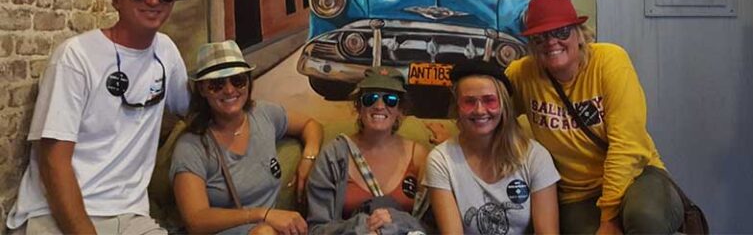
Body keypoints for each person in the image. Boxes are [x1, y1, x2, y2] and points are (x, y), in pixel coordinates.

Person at [6, 0, 190, 234]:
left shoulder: (166, 52)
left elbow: (197, 111)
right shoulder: (75, 57)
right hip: (55, 213)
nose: (153, 0)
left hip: (128, 215)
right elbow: (53, 160)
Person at [504, 0, 684, 234]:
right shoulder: (522, 74)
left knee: (645, 219)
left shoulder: (609, 61)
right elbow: (490, 112)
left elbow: (627, 144)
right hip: (575, 195)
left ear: (579, 34)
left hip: (636, 178)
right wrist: (447, 135)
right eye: (540, 37)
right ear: (532, 45)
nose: (551, 42)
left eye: (561, 32)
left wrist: (608, 218)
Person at [171, 40, 323, 235]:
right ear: (202, 89)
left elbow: (310, 125)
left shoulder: (263, 114)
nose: (229, 90)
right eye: (217, 84)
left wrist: (308, 158)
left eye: (238, 80)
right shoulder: (192, 146)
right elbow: (196, 220)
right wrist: (263, 214)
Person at [425, 60, 560, 234]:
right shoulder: (441, 160)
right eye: (469, 101)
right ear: (457, 107)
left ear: (504, 105)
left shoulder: (535, 157)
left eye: (489, 100)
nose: (480, 110)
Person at [306, 67, 429, 234]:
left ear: (401, 110)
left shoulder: (419, 156)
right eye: (370, 98)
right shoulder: (334, 156)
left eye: (390, 100)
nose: (379, 106)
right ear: (358, 107)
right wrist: (363, 225)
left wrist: (396, 220)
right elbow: (316, 229)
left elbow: (433, 227)